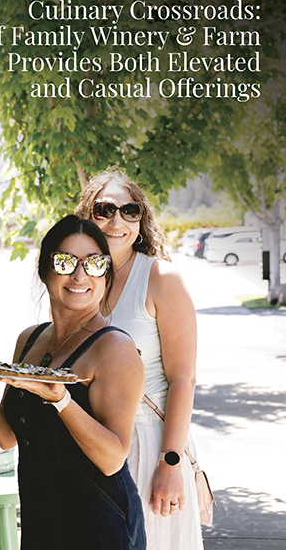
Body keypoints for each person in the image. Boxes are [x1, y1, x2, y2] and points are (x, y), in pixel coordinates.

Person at [0, 215, 146, 550]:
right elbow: (8, 438)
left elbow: (112, 458)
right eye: (65, 262)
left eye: (93, 263)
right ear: (44, 270)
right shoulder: (30, 340)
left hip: (99, 520)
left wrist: (62, 401)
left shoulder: (114, 348)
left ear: (105, 272)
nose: (79, 275)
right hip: (40, 513)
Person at [75, 167, 203, 550]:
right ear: (87, 216)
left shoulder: (162, 278)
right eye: (105, 210)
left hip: (151, 443)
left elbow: (184, 379)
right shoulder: (82, 279)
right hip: (94, 443)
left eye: (130, 211)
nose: (118, 221)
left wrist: (171, 462)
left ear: (141, 220)